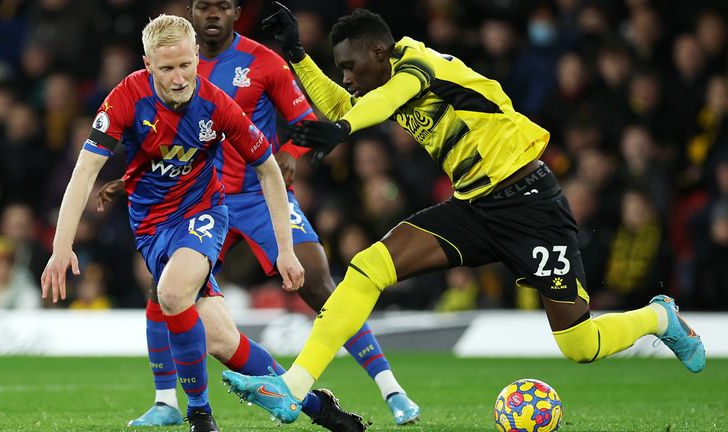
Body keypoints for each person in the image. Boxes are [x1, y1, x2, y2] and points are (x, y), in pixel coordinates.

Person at [221, 4, 707, 425]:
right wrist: (299, 58)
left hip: (530, 203)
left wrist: (344, 127)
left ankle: (657, 318)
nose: (346, 76)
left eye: (349, 65)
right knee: (368, 267)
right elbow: (347, 104)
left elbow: (372, 104)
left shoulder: (421, 66)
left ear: (378, 53)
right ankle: (294, 385)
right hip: (474, 208)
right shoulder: (391, 79)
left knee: (580, 344)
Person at [98, 1, 418, 428]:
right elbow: (163, 143)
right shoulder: (174, 69)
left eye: (223, 6)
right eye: (204, 7)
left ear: (236, 12)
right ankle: (168, 402)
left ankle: (391, 388)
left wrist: (289, 152)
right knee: (172, 297)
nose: (213, 14)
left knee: (318, 282)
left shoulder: (262, 61)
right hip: (200, 200)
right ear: (192, 15)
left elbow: (304, 120)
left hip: (257, 195)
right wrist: (135, 178)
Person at [40, 14, 308, 432]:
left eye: (186, 64)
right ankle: (316, 408)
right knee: (222, 340)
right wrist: (61, 247)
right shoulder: (126, 98)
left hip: (202, 214)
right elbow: (84, 172)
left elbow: (269, 170)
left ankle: (198, 413)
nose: (180, 77)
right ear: (148, 65)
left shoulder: (217, 104)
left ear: (196, 55)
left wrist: (286, 249)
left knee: (170, 291)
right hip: (149, 227)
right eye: (167, 68)